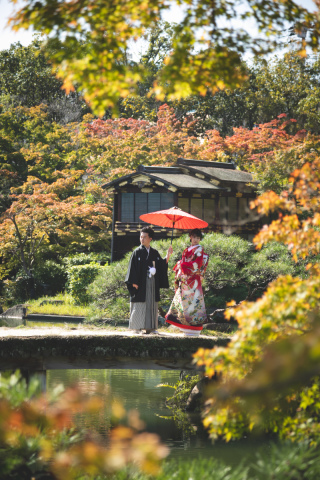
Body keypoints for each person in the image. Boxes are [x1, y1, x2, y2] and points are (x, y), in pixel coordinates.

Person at [125, 226, 173, 334]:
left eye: (144, 237)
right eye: (141, 237)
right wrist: (133, 282)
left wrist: (168, 255)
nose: (142, 239)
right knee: (139, 303)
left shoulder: (154, 252)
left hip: (152, 283)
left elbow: (161, 265)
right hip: (140, 283)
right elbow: (132, 268)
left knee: (151, 304)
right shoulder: (136, 252)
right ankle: (136, 328)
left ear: (150, 238)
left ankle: (150, 328)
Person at [165, 228, 209, 336]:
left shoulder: (199, 249)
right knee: (183, 302)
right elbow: (185, 261)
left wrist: (183, 265)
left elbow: (197, 264)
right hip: (185, 278)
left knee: (193, 302)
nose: (195, 239)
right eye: (194, 237)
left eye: (198, 238)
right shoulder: (187, 249)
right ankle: (185, 327)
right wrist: (180, 264)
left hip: (193, 279)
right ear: (190, 237)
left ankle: (194, 328)